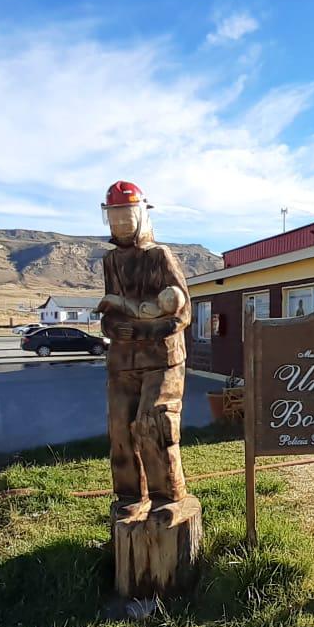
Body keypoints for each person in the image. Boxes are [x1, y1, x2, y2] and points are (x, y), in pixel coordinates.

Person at [95, 181, 192, 518]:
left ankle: (168, 497)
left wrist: (141, 326)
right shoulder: (110, 261)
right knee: (120, 426)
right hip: (121, 361)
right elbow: (109, 315)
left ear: (141, 214)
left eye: (127, 215)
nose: (121, 223)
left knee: (154, 422)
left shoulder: (159, 256)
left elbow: (181, 313)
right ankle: (129, 495)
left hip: (162, 360)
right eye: (115, 216)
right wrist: (113, 328)